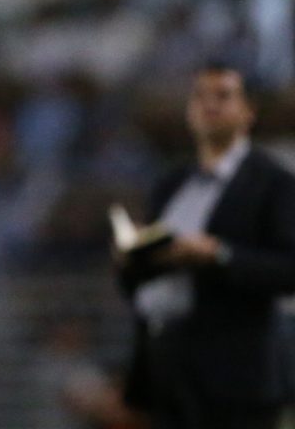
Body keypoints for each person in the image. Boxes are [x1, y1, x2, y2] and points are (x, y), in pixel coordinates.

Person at [118, 63, 295, 429]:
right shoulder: (172, 183)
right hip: (168, 371)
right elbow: (139, 283)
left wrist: (219, 254)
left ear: (248, 111)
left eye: (223, 96)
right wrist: (132, 258)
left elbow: (288, 269)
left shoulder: (271, 182)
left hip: (236, 376)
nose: (209, 105)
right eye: (200, 96)